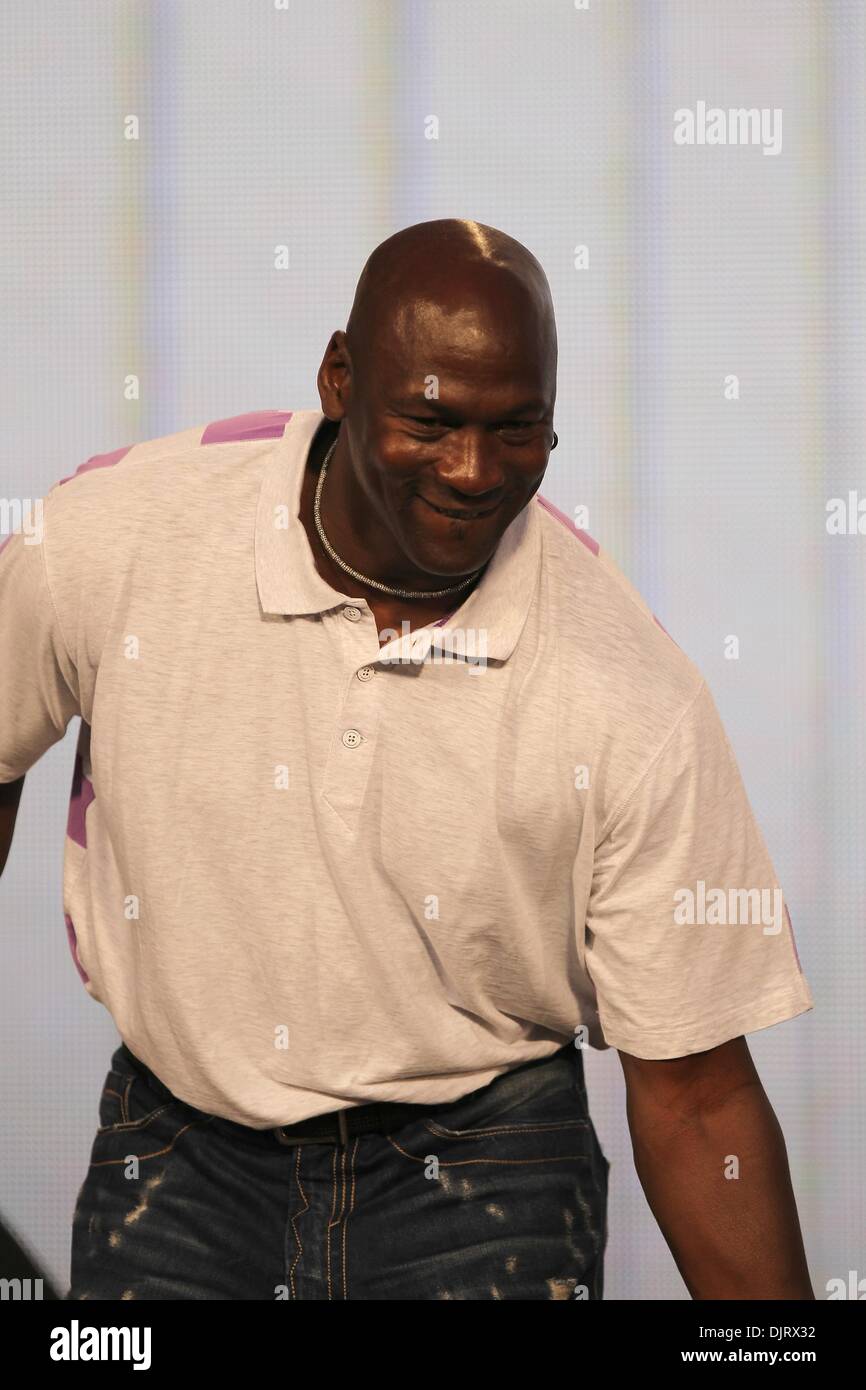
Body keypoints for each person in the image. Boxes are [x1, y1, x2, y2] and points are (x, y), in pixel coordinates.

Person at [0, 218, 815, 1301]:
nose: (473, 470)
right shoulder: (119, 537)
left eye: (517, 428)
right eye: (430, 419)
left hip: (485, 1165)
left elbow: (698, 1096)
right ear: (339, 377)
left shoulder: (628, 694)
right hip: (181, 1153)